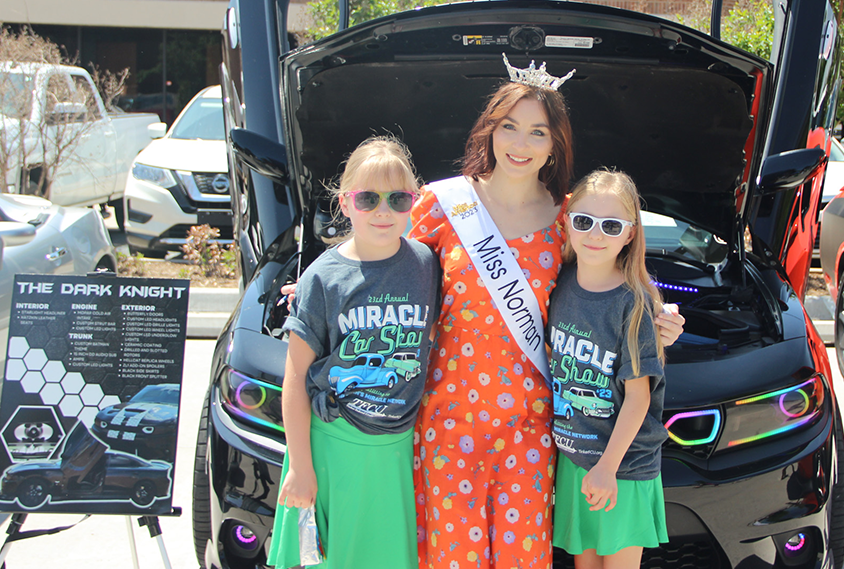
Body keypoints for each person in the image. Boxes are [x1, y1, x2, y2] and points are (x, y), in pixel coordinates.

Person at [408, 56, 684, 569]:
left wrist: (661, 320)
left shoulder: (567, 219)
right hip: (447, 422)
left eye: (537, 132)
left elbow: (621, 278)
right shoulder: (442, 204)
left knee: (521, 559)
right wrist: (329, 280)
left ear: (555, 143)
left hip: (531, 425)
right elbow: (388, 267)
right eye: (509, 127)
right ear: (489, 131)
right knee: (454, 557)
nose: (521, 143)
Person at [267, 136, 440, 569]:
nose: (384, 211)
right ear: (345, 204)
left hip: (398, 449)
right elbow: (294, 380)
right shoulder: (323, 278)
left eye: (398, 199)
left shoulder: (427, 264)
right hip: (334, 448)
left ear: (414, 204)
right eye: (368, 198)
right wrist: (301, 468)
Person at [548, 170, 668, 569]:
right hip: (577, 461)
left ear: (630, 234)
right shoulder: (558, 285)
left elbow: (638, 398)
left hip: (621, 467)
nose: (595, 235)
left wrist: (606, 469)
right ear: (566, 220)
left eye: (611, 225)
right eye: (584, 221)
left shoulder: (632, 304)